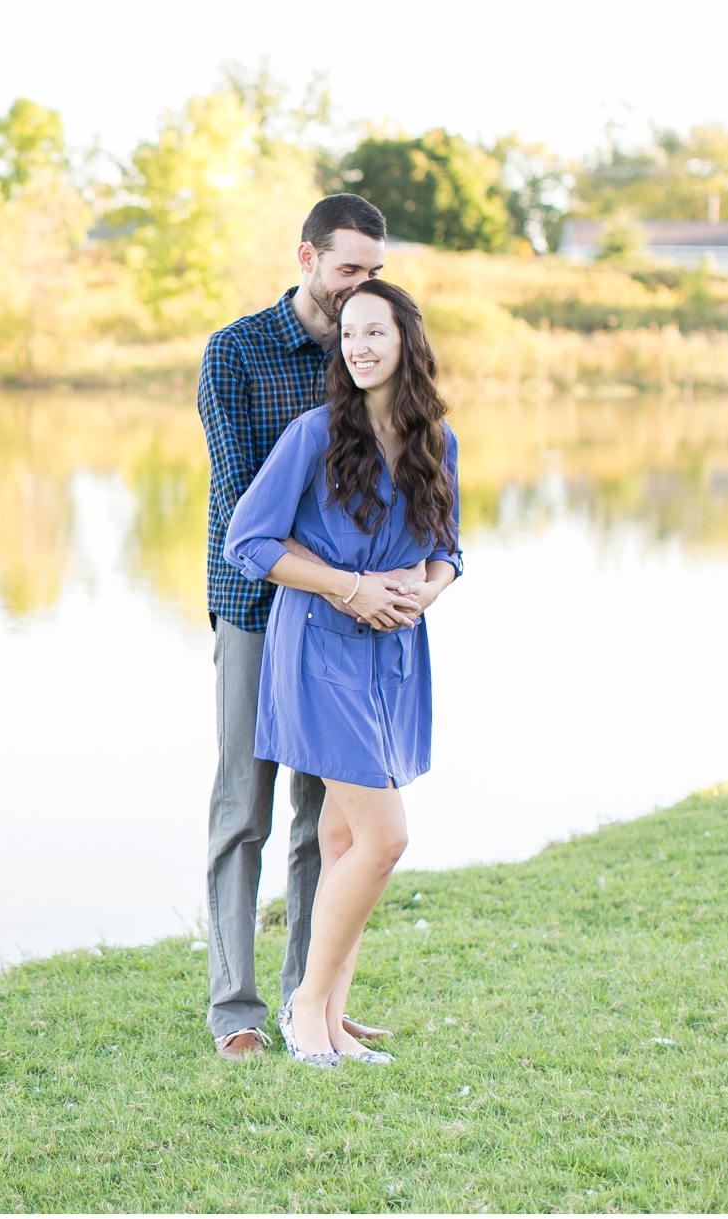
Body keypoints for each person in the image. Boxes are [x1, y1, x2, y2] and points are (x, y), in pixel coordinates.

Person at [198, 193, 425, 1060]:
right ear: (306, 259)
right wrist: (346, 583)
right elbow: (245, 508)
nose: (362, 287)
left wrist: (405, 582)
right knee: (243, 807)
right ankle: (235, 1011)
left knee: (323, 819)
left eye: (375, 271)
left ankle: (312, 997)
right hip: (259, 605)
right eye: (348, 270)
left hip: (350, 622)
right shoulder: (237, 354)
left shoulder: (367, 351)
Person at [221, 278, 462, 1066]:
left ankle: (331, 1018)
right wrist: (350, 586)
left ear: (406, 345)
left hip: (393, 655)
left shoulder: (436, 441)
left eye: (376, 334)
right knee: (385, 838)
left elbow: (448, 551)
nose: (359, 347)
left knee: (342, 835)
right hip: (318, 648)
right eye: (350, 334)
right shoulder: (313, 435)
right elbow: (248, 543)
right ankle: (303, 1008)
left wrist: (423, 592)